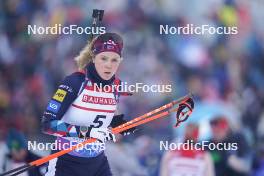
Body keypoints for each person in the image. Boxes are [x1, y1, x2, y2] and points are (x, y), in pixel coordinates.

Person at [41, 33, 135, 176]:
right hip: (65, 163)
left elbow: (105, 117)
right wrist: (88, 132)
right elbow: (48, 125)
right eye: (103, 58)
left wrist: (120, 126)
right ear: (93, 58)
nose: (108, 65)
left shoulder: (117, 86)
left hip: (97, 164)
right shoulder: (74, 82)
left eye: (114, 60)